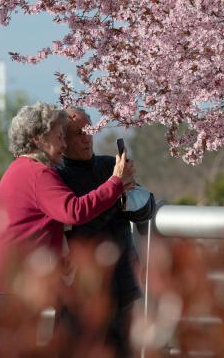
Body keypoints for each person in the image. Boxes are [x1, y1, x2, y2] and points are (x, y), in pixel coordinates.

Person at [0, 102, 135, 292]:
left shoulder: (19, 169)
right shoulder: (38, 174)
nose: (64, 144)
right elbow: (74, 211)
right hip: (14, 287)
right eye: (60, 137)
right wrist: (116, 181)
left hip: (3, 283)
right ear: (38, 139)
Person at [57, 107, 157, 358]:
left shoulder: (109, 165)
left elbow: (145, 210)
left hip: (122, 284)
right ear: (62, 139)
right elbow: (80, 226)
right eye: (78, 133)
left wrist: (127, 192)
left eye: (90, 130)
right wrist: (115, 193)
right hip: (81, 291)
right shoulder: (57, 177)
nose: (87, 137)